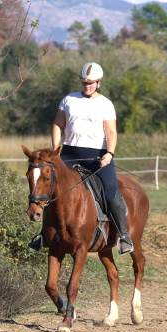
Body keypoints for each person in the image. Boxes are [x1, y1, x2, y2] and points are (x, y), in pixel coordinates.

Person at [29, 62, 134, 255]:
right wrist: (55, 149)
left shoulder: (106, 104)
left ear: (98, 83)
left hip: (97, 156)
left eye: (91, 83)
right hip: (68, 154)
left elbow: (111, 131)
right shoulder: (69, 99)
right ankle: (43, 234)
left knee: (111, 193)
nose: (87, 86)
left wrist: (109, 153)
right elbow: (58, 124)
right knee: (50, 189)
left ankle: (124, 236)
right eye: (84, 83)